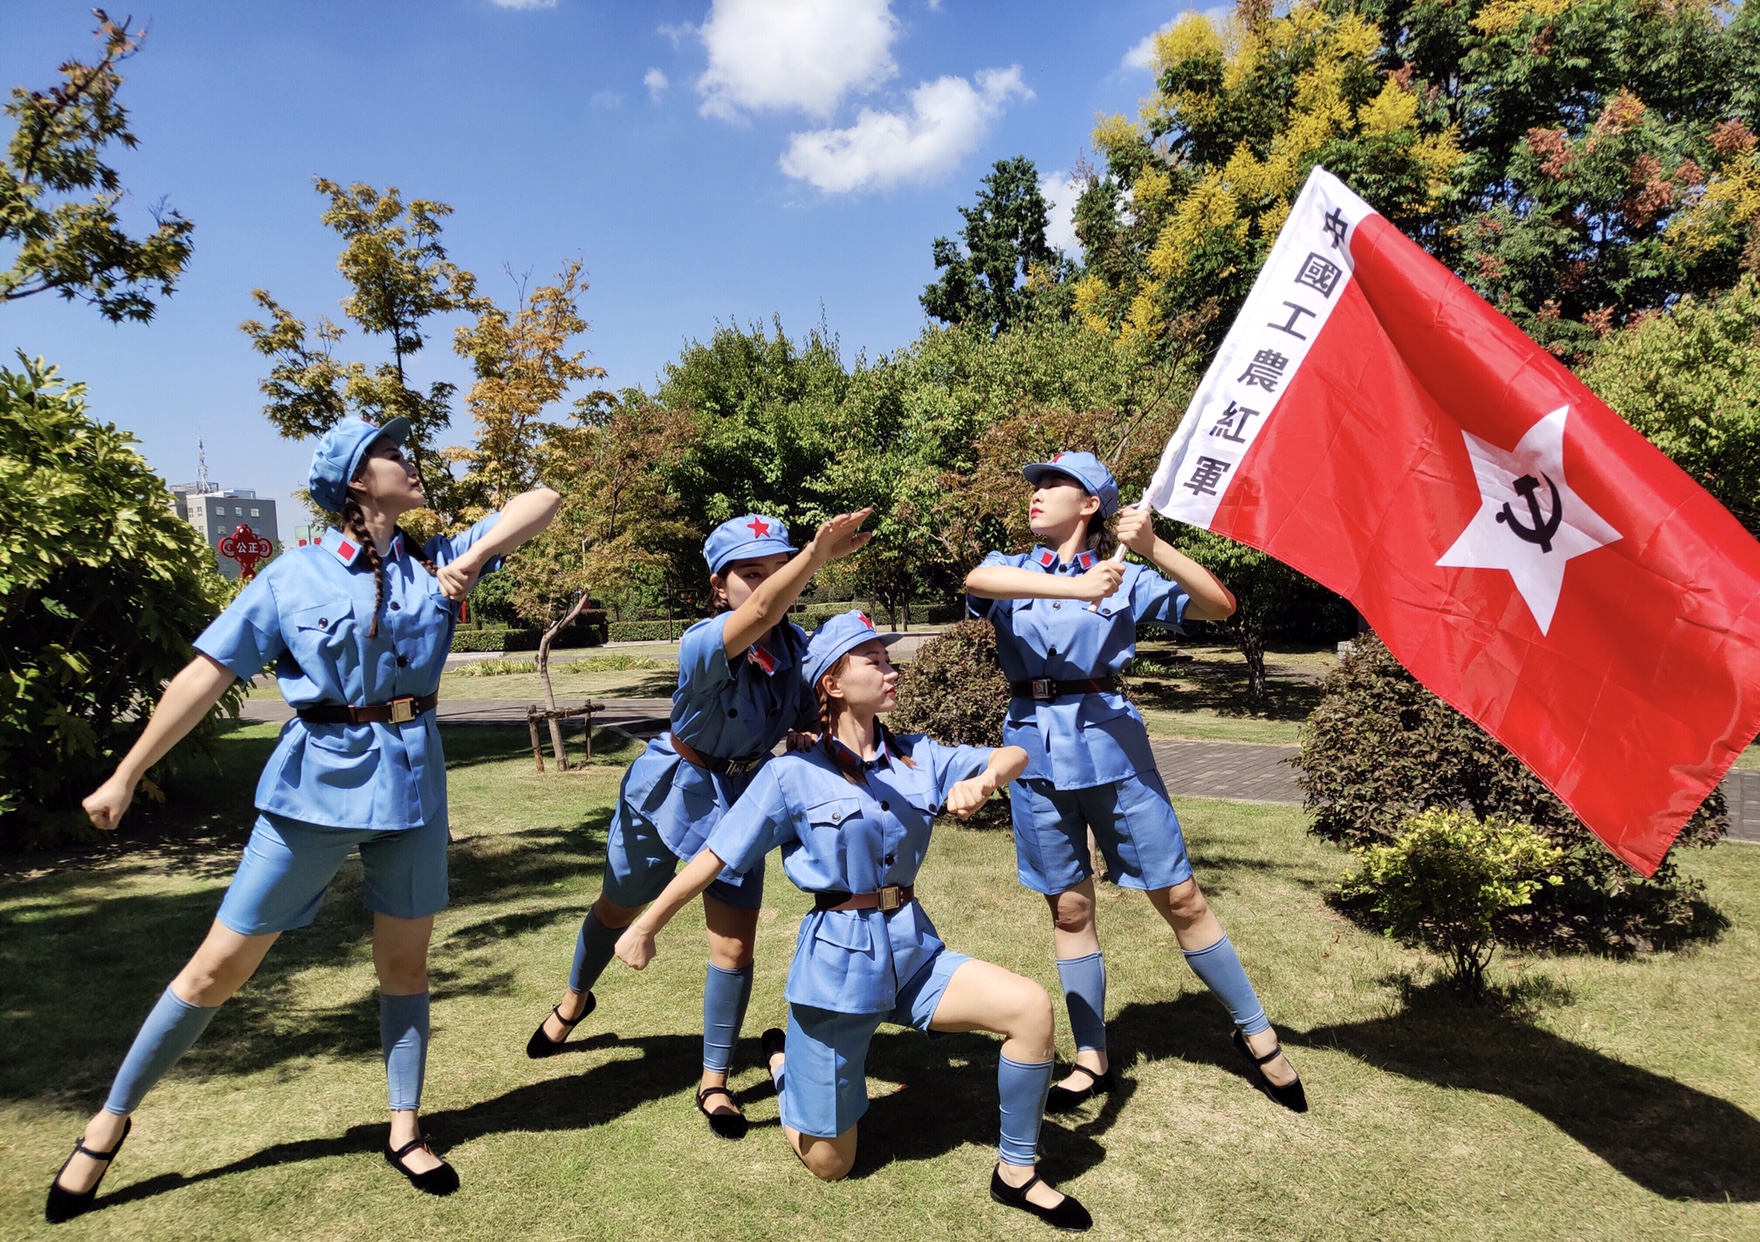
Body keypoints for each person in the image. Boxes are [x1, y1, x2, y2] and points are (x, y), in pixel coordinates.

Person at [43, 417, 560, 1223]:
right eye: (393, 455)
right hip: (313, 786)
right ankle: (108, 1122)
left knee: (405, 968)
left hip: (414, 788)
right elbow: (204, 678)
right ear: (357, 482)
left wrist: (471, 560)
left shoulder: (432, 558)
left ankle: (405, 1125)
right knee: (219, 966)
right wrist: (126, 772)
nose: (410, 463)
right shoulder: (292, 577)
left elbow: (545, 498)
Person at [614, 611, 1093, 1232]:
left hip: (912, 950)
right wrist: (646, 924)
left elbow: (1015, 751)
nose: (891, 671)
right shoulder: (791, 775)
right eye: (875, 660)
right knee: (832, 1163)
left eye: (889, 660)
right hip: (836, 970)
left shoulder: (917, 756)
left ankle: (1017, 1172)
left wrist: (984, 782)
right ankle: (787, 1066)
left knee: (1029, 1008)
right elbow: (714, 855)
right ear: (833, 684)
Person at [964, 451, 1306, 1115]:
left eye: (1054, 485)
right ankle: (1091, 1055)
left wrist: (1153, 547)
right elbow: (978, 578)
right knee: (1068, 906)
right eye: (1035, 484)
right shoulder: (1015, 568)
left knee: (1179, 896)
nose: (1036, 494)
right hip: (1031, 748)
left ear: (1090, 504)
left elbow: (1217, 604)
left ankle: (1255, 1033)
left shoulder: (1127, 574)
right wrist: (1078, 587)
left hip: (1112, 748)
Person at [525, 509, 872, 1141]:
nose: (769, 583)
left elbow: (821, 709)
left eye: (778, 568)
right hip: (673, 789)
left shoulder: (798, 652)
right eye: (750, 573)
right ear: (720, 586)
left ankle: (714, 1081)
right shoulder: (704, 640)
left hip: (744, 796)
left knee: (734, 946)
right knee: (618, 907)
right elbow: (762, 613)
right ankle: (576, 998)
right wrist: (815, 556)